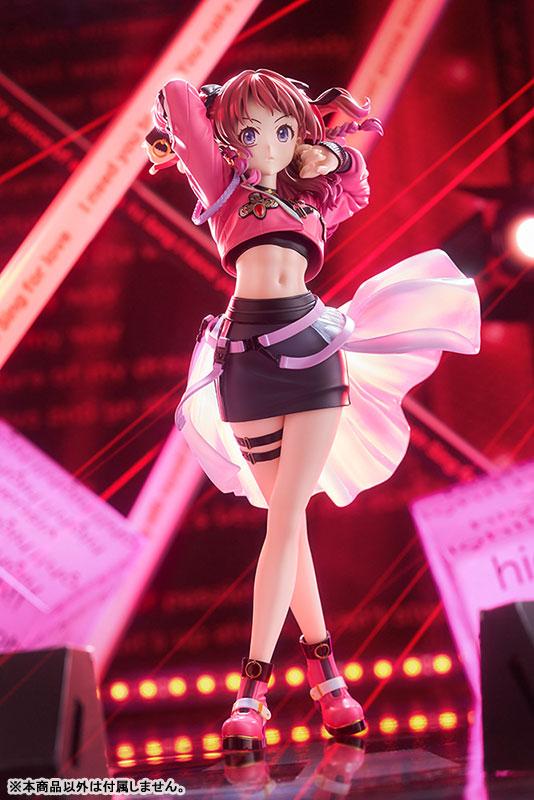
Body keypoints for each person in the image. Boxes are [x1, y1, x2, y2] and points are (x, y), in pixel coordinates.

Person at [143, 69, 481, 751]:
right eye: (250, 132)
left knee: (286, 515)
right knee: (285, 523)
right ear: (230, 140)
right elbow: (177, 93)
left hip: (313, 348)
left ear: (298, 135)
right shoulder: (222, 186)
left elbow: (357, 185)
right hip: (244, 360)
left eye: (282, 130)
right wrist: (216, 103)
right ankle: (329, 682)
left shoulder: (313, 200)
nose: (267, 144)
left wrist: (328, 151)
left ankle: (252, 694)